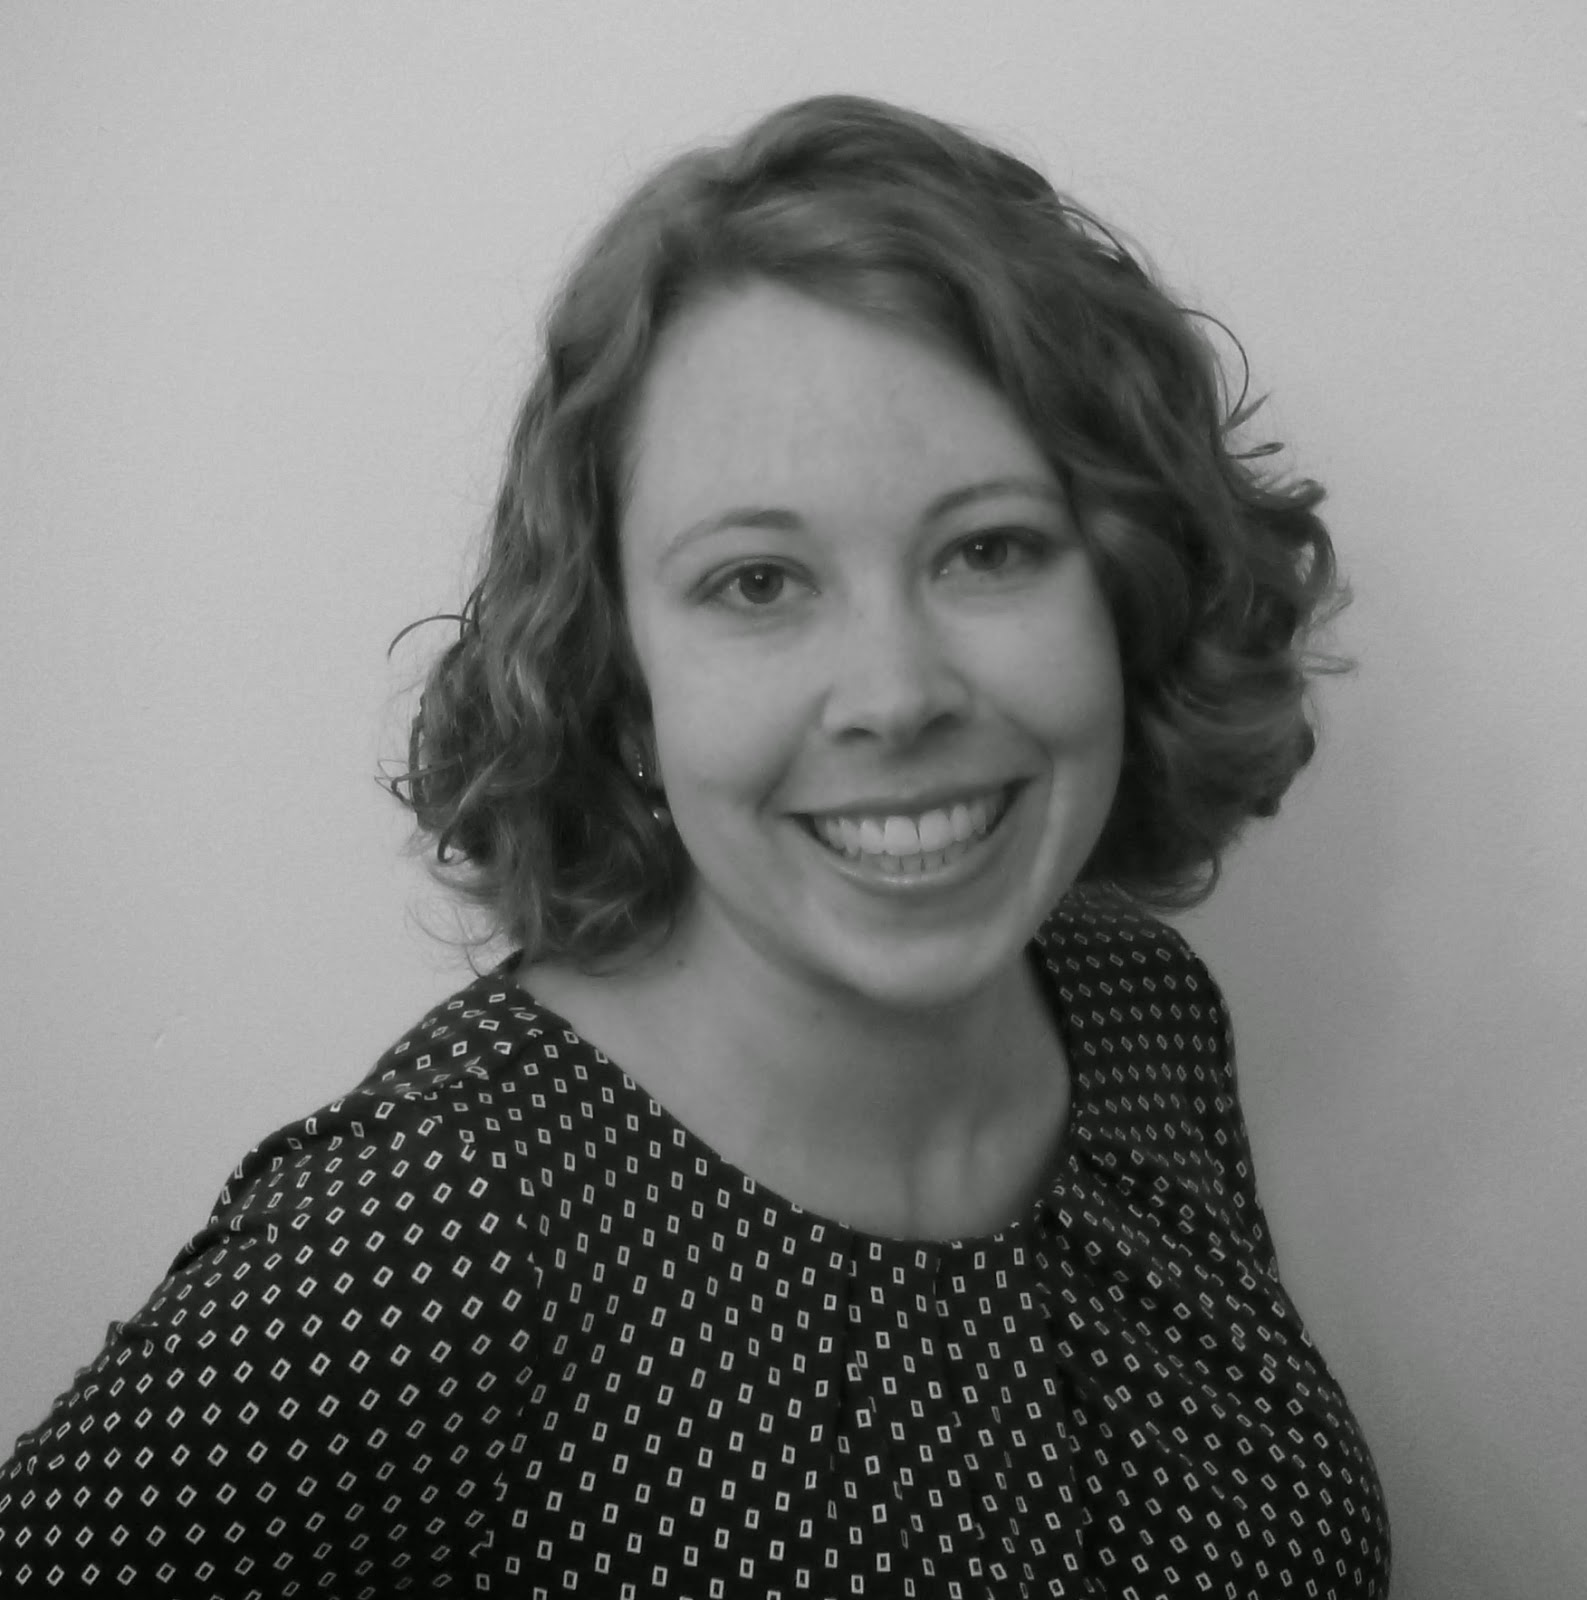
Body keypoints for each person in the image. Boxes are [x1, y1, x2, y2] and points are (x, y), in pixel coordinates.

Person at [0, 94, 1390, 1598]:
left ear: (1127, 589)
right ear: (619, 673)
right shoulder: (441, 1232)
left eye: (989, 549)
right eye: (757, 583)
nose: (897, 694)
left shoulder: (1142, 1011)